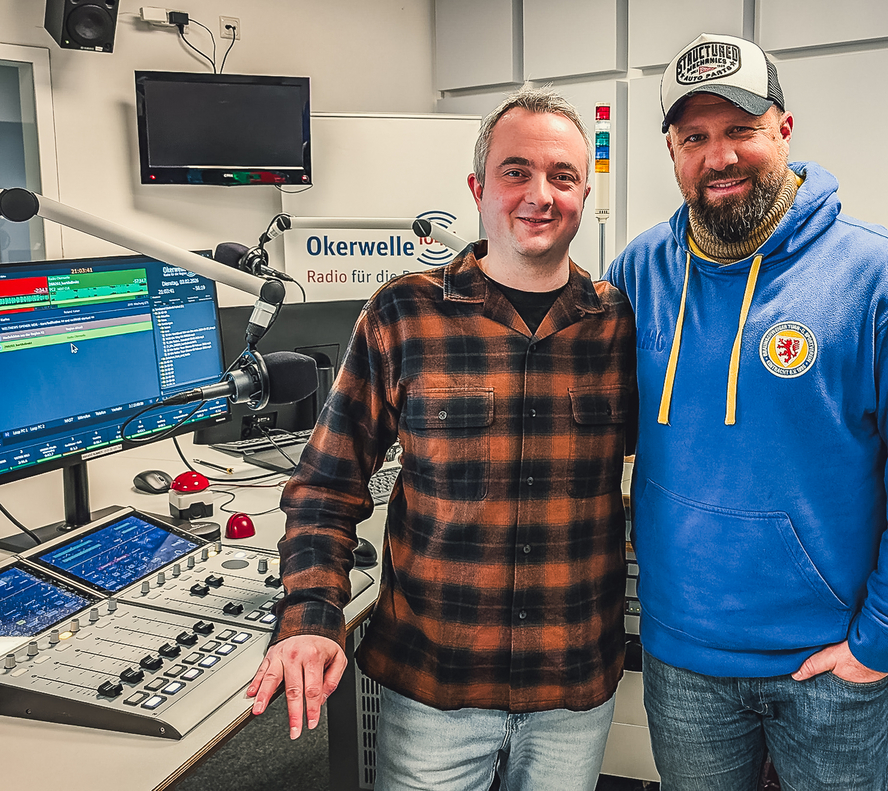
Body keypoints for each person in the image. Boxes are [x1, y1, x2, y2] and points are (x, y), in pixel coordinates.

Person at [603, 33, 888, 790]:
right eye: (694, 138)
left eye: (740, 130)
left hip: (831, 664)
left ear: (783, 129)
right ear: (673, 151)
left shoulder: (884, 284)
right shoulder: (640, 272)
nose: (719, 157)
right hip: (682, 660)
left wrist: (880, 641)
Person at [247, 85, 636, 791]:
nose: (539, 195)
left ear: (584, 193)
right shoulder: (403, 312)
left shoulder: (617, 325)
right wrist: (309, 615)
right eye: (516, 171)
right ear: (478, 188)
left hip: (571, 684)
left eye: (563, 176)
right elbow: (327, 486)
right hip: (435, 684)